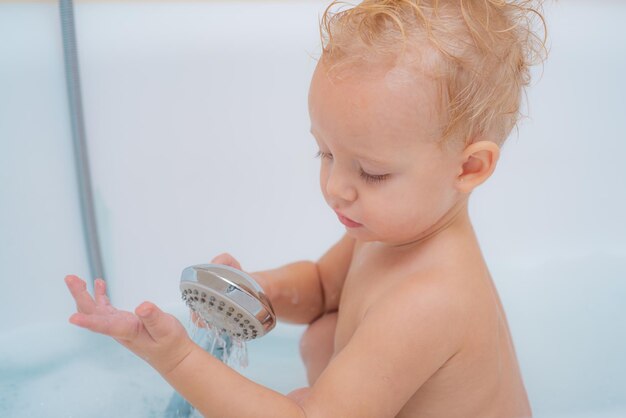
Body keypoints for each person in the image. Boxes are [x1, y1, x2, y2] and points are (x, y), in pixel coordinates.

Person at [65, 1, 547, 416]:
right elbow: (320, 287)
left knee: (305, 390)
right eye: (326, 154)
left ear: (469, 168)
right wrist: (260, 293)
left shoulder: (430, 298)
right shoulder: (393, 229)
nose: (336, 187)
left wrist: (175, 358)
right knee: (323, 335)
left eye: (372, 173)